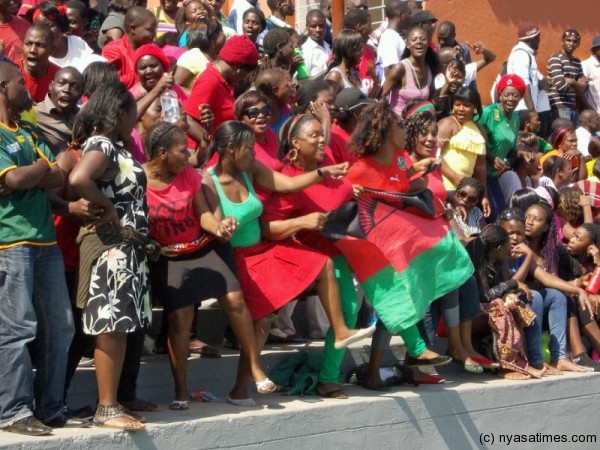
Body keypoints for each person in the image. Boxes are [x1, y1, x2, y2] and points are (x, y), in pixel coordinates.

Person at [202, 121, 376, 399]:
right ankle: (240, 389)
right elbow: (210, 220)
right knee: (260, 326)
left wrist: (322, 171)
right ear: (230, 149)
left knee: (323, 263)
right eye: (248, 148)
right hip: (236, 260)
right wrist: (222, 227)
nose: (253, 153)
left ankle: (341, 330)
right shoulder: (207, 181)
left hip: (261, 251)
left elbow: (289, 183)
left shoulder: (251, 169)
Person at [143, 122, 277, 409]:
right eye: (183, 150)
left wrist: (219, 228)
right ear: (163, 153)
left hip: (206, 247)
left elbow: (204, 214)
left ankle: (254, 365)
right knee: (179, 320)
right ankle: (180, 391)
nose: (190, 155)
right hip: (170, 256)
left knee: (234, 299)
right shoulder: (139, 181)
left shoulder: (191, 176)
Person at [345, 101, 474, 387]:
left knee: (399, 306)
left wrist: (418, 174)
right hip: (376, 252)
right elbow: (357, 205)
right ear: (386, 132)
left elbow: (402, 187)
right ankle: (410, 356)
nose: (406, 129)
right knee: (399, 303)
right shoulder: (360, 170)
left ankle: (376, 371)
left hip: (400, 248)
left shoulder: (401, 160)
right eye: (400, 126)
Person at [0, 61, 89, 436]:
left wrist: (30, 174)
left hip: (44, 242)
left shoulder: (28, 130)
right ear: (3, 87)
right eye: (21, 83)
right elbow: (21, 177)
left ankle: (50, 406)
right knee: (17, 329)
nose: (29, 89)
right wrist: (35, 172)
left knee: (61, 327)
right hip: (11, 243)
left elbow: (56, 174)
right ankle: (14, 411)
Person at [68, 81, 150, 431]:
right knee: (110, 326)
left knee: (119, 327)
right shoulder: (102, 144)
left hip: (127, 248)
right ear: (120, 112)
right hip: (111, 248)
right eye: (133, 111)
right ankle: (106, 406)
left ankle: (113, 402)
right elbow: (79, 177)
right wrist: (108, 208)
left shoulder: (117, 145)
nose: (136, 118)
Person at [406, 108, 493, 373]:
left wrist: (447, 209)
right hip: (414, 240)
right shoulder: (405, 163)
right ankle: (444, 350)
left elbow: (438, 198)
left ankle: (462, 347)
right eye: (426, 134)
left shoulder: (434, 164)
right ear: (411, 135)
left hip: (437, 235)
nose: (433, 139)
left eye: (435, 134)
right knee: (451, 280)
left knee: (464, 279)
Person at [502, 204, 592, 373]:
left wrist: (578, 290)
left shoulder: (524, 251)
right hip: (504, 301)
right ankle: (536, 360)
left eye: (519, 234)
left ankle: (560, 357)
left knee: (556, 295)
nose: (515, 237)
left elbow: (547, 278)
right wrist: (529, 255)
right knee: (534, 295)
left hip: (522, 302)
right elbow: (511, 284)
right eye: (511, 233)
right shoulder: (502, 252)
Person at [466, 223, 538, 380]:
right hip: (468, 315)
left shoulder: (496, 263)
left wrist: (509, 296)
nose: (510, 250)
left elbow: (499, 290)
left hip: (483, 309)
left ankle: (522, 363)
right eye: (507, 247)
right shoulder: (477, 262)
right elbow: (484, 296)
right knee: (501, 312)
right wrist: (512, 285)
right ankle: (506, 367)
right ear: (498, 249)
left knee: (514, 306)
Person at [184, 34, 258, 141]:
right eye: (246, 73)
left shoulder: (224, 81)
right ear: (239, 68)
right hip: (203, 151)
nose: (245, 77)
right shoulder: (210, 81)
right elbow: (188, 120)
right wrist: (212, 146)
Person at [478, 74, 524, 219]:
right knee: (492, 214)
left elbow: (510, 149)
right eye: (507, 95)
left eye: (515, 95)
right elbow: (473, 137)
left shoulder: (516, 118)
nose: (511, 99)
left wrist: (520, 155)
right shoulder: (488, 112)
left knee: (501, 213)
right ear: (500, 95)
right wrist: (491, 157)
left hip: (493, 174)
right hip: (479, 171)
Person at [438, 87, 489, 212]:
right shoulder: (448, 124)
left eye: (466, 105)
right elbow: (434, 155)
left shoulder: (480, 129)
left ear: (475, 107)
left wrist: (484, 195)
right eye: (457, 104)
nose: (461, 109)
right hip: (445, 186)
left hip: (466, 193)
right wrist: (455, 177)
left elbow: (480, 167)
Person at [558, 223, 600, 370]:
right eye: (573, 235)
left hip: (587, 307)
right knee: (580, 302)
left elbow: (594, 289)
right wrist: (578, 283)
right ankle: (579, 355)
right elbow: (557, 284)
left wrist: (598, 263)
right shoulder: (563, 255)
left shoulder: (592, 262)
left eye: (578, 238)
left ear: (590, 247)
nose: (572, 239)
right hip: (567, 305)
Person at [381, 26, 440, 118]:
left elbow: (431, 100)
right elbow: (381, 96)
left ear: (428, 43)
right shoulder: (400, 68)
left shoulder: (429, 69)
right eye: (414, 39)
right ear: (407, 44)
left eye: (422, 39)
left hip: (420, 125)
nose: (419, 42)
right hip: (399, 126)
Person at [506, 22, 552, 139]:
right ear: (532, 38)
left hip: (529, 108)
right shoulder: (521, 54)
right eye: (538, 38)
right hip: (523, 109)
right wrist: (531, 111)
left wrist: (541, 83)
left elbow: (534, 80)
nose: (539, 41)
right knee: (525, 144)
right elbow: (523, 83)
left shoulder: (527, 54)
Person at [32, 1, 101, 73]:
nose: (43, 31)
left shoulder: (77, 43)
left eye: (49, 26)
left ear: (61, 25)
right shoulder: (34, 52)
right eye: (38, 27)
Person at [101, 6, 157, 90]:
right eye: (150, 30)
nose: (154, 35)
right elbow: (111, 84)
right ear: (133, 29)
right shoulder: (113, 50)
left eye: (155, 30)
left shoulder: (151, 49)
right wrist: (147, 76)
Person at [33, 66, 83, 155]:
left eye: (74, 87)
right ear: (51, 86)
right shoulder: (34, 114)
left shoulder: (84, 119)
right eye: (61, 83)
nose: (67, 90)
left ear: (81, 94)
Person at [547, 29, 587, 128]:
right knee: (563, 139)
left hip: (573, 107)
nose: (571, 43)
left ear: (578, 43)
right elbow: (561, 87)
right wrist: (577, 86)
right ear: (562, 41)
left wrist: (572, 81)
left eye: (574, 41)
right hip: (559, 107)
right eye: (568, 40)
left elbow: (584, 88)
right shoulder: (555, 59)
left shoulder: (577, 61)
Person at [173, 16, 225, 90]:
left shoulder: (218, 57)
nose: (225, 35)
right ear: (213, 36)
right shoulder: (192, 56)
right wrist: (198, 95)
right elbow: (175, 87)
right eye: (221, 31)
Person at [329, 86, 375, 164]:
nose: (369, 113)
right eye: (365, 109)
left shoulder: (361, 131)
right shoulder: (333, 140)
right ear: (356, 113)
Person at [16, 24, 60, 103]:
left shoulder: (59, 77)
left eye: (40, 45)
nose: (32, 50)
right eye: (28, 44)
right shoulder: (9, 72)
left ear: (52, 49)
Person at [343, 8, 379, 96]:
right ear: (359, 27)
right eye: (369, 25)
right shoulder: (342, 54)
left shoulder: (369, 51)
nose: (371, 30)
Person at [254, 67, 294, 134]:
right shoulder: (259, 119)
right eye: (287, 86)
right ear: (275, 90)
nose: (290, 88)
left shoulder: (286, 109)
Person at [375, 0, 410, 71]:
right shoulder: (389, 38)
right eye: (409, 14)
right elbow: (390, 70)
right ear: (400, 15)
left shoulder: (395, 37)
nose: (410, 17)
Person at [301, 9, 330, 77]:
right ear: (307, 27)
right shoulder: (305, 51)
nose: (318, 30)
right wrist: (330, 70)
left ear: (326, 26)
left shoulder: (328, 47)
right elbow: (303, 82)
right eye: (313, 26)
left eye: (321, 26)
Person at [582, 36, 600, 115]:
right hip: (595, 114)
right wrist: (592, 111)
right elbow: (580, 92)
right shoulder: (586, 65)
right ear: (594, 50)